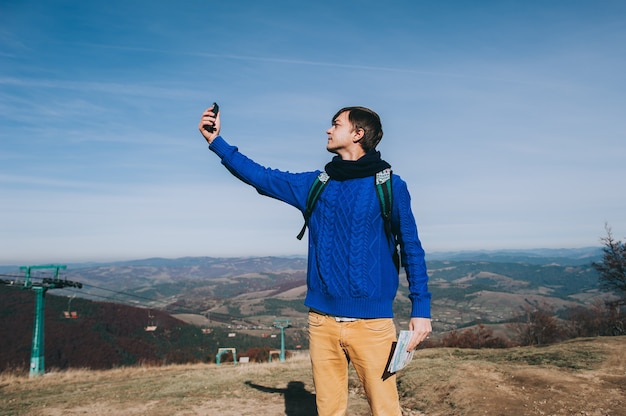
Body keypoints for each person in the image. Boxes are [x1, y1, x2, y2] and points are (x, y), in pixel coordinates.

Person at [199, 104, 432, 416]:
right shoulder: (316, 184)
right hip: (321, 322)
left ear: (357, 134)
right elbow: (261, 177)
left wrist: (421, 309)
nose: (328, 129)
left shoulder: (390, 187)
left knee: (385, 409)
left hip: (373, 325)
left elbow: (412, 248)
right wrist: (217, 142)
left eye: (336, 124)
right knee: (328, 410)